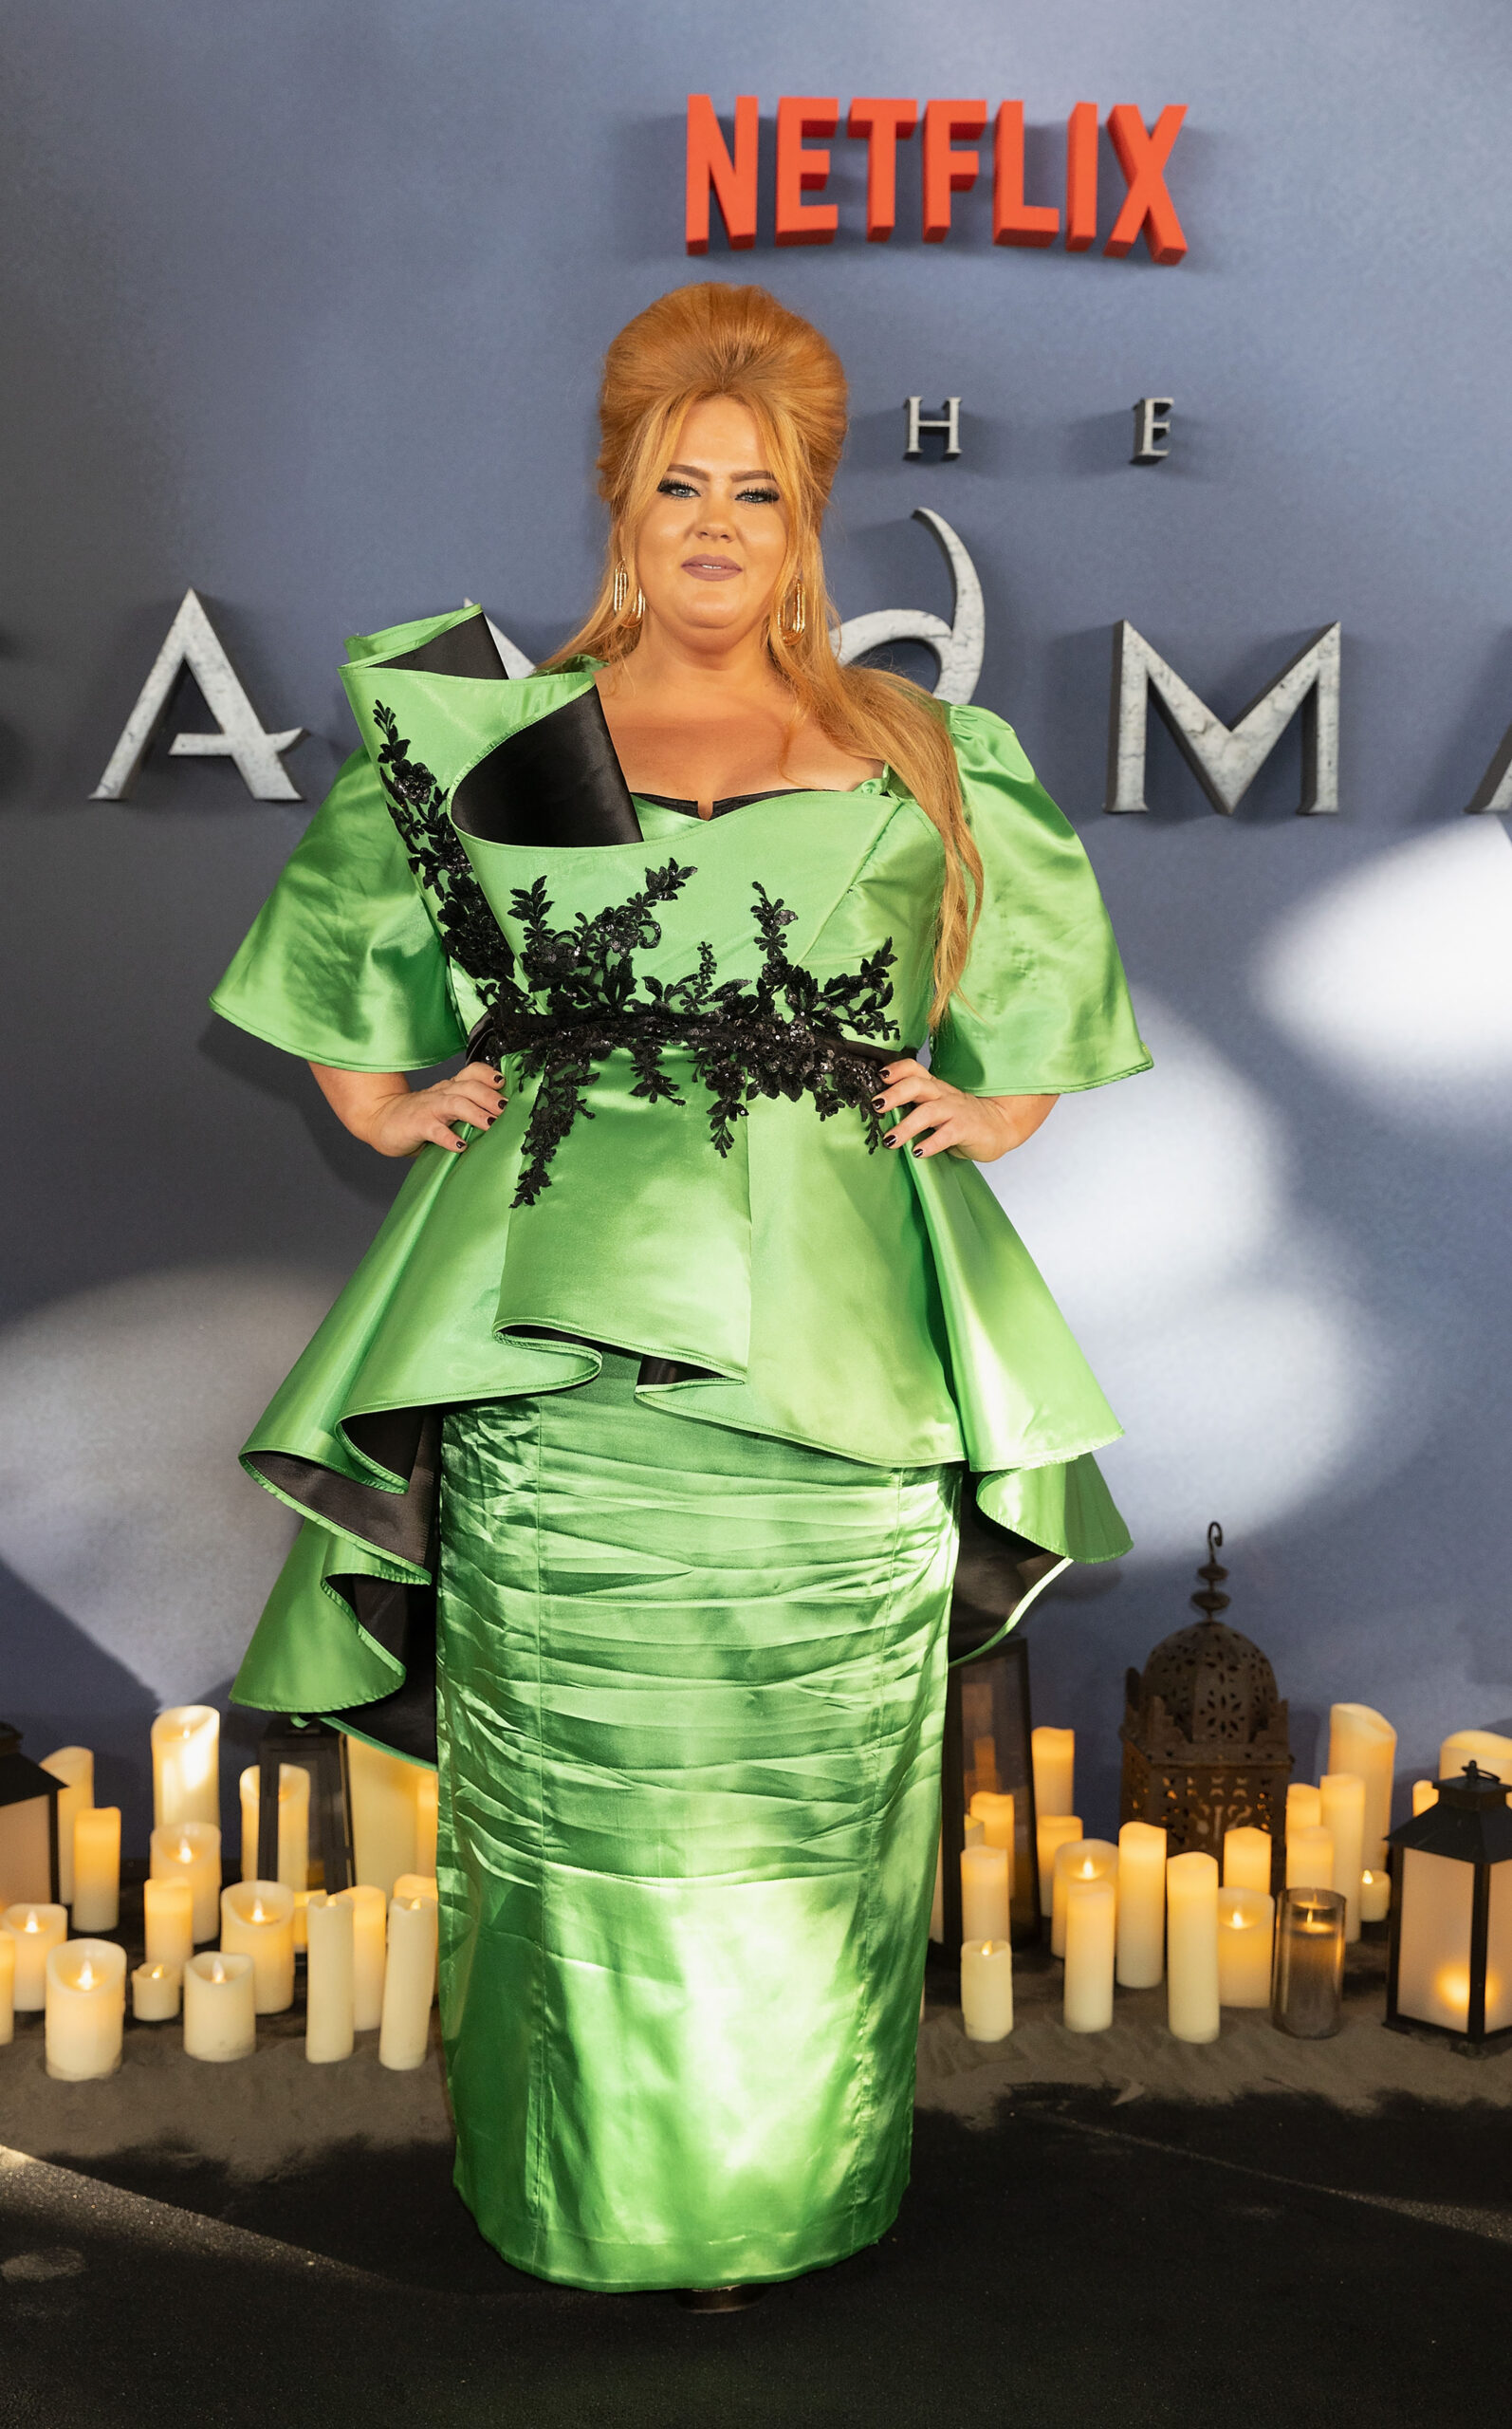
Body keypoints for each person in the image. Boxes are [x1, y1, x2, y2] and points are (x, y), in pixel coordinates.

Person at [212, 281, 1151, 2302]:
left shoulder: (912, 744)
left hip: (837, 1373)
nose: (711, 523)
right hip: (559, 1360)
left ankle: (780, 2195)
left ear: (807, 518)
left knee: (809, 1794)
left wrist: (991, 1115)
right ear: (617, 506)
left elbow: (1034, 1006)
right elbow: (341, 969)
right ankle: (580, 2191)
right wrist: (392, 1104)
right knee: (571, 1785)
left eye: (754, 489)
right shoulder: (513, 740)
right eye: (671, 485)